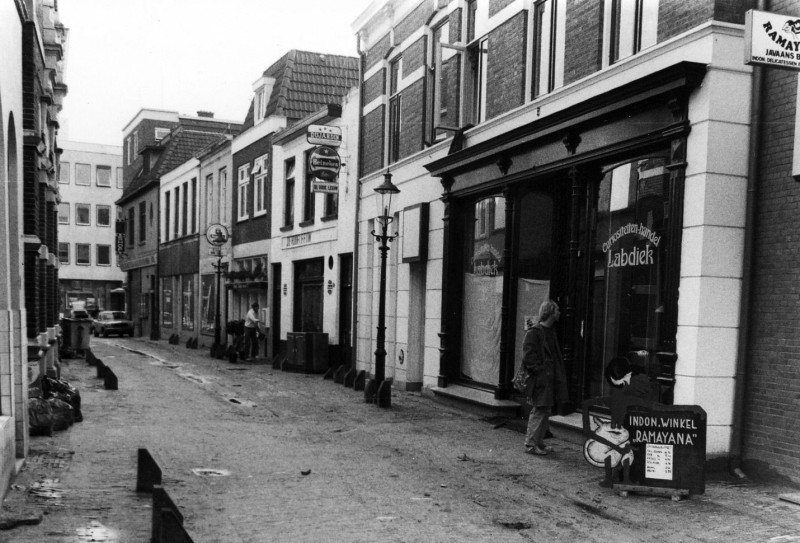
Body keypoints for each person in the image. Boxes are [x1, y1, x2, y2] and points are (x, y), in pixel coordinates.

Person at [522, 299, 569, 456]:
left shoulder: (551, 331)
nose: (559, 313)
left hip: (550, 378)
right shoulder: (535, 332)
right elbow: (528, 356)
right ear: (550, 312)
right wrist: (539, 371)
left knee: (546, 409)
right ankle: (530, 444)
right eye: (557, 310)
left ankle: (539, 441)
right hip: (541, 378)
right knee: (539, 409)